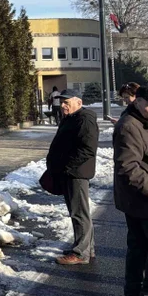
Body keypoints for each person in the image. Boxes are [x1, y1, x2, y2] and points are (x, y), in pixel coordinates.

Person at [113, 85, 148, 296]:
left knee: (139, 246)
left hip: (140, 198)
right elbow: (129, 169)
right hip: (144, 198)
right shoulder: (129, 126)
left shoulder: (145, 121)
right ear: (136, 101)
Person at [46, 88, 99, 265]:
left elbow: (88, 149)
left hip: (76, 173)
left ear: (79, 102)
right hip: (70, 172)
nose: (63, 106)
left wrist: (68, 167)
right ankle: (84, 247)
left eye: (67, 102)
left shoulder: (85, 119)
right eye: (62, 102)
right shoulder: (72, 117)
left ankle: (81, 253)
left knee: (79, 213)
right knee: (78, 212)